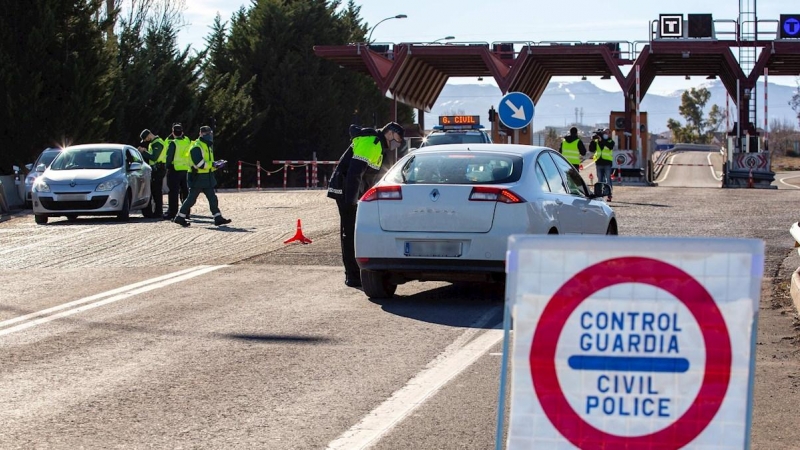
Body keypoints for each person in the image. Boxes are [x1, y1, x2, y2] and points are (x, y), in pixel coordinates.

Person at [327, 122, 405, 288]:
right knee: (349, 234)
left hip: (353, 194)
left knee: (355, 234)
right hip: (345, 192)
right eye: (398, 139)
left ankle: (355, 273)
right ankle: (352, 276)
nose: (397, 143)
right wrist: (351, 202)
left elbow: (368, 178)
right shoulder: (372, 143)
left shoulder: (378, 147)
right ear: (390, 133)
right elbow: (354, 174)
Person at [174, 126, 231, 227]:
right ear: (201, 134)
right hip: (197, 178)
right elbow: (200, 164)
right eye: (207, 134)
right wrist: (214, 164)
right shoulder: (196, 147)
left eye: (210, 134)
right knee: (191, 199)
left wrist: (217, 165)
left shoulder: (207, 146)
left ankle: (218, 218)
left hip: (207, 177)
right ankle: (180, 217)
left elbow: (207, 164)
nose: (209, 136)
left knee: (212, 198)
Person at [164, 123, 192, 220]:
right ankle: (186, 212)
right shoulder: (187, 140)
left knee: (173, 193)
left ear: (173, 133)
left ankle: (172, 213)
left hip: (174, 170)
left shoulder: (173, 143)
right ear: (182, 132)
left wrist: (167, 167)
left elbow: (169, 157)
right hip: (185, 169)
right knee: (185, 192)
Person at [138, 129, 167, 218]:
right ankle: (158, 211)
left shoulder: (157, 143)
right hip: (157, 169)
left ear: (149, 135)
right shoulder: (154, 142)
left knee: (157, 191)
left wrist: (143, 152)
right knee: (155, 191)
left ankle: (158, 212)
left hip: (158, 169)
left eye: (146, 139)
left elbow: (154, 157)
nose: (146, 141)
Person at [590, 128, 615, 200]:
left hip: (607, 163)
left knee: (608, 179)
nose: (605, 134)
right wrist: (592, 140)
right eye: (604, 133)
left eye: (607, 133)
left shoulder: (611, 141)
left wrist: (602, 140)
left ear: (609, 134)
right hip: (599, 162)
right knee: (600, 180)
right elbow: (591, 149)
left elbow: (610, 147)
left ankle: (609, 194)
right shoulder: (597, 141)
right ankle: (600, 195)